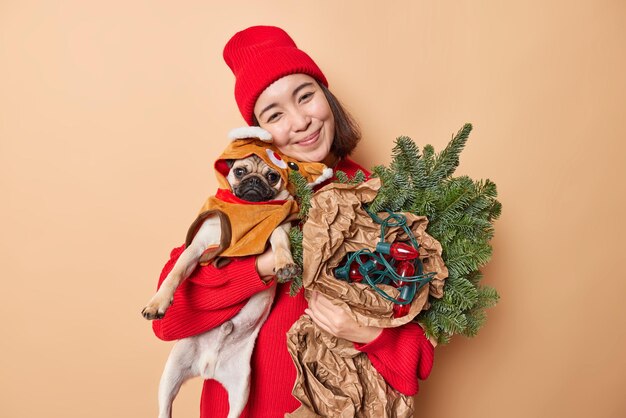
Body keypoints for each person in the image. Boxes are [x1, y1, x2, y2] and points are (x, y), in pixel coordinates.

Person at [151, 25, 435, 418]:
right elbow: (168, 323)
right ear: (257, 133)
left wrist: (364, 332)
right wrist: (263, 266)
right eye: (275, 114)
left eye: (306, 96)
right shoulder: (239, 205)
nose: (301, 121)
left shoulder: (379, 203)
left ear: (327, 97)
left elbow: (416, 359)